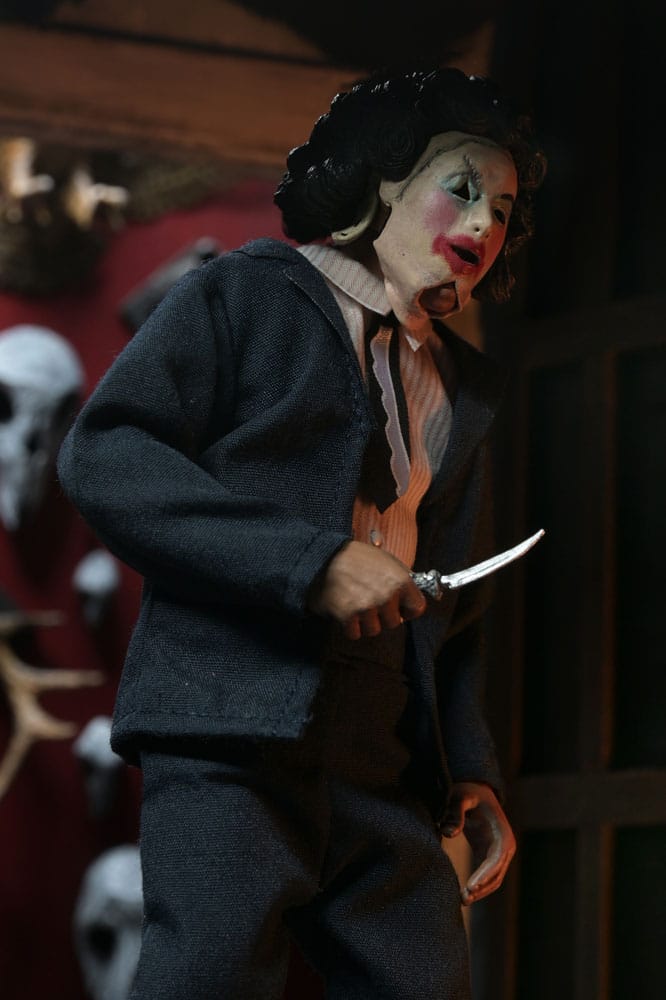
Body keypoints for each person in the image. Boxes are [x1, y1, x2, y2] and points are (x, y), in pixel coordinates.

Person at [58, 67, 545, 1000]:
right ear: (380, 181)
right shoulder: (246, 296)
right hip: (233, 724)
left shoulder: (461, 388)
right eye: (460, 187)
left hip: (380, 756)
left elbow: (458, 612)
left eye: (503, 206)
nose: (483, 222)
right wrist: (308, 562)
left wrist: (468, 768)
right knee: (208, 980)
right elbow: (107, 452)